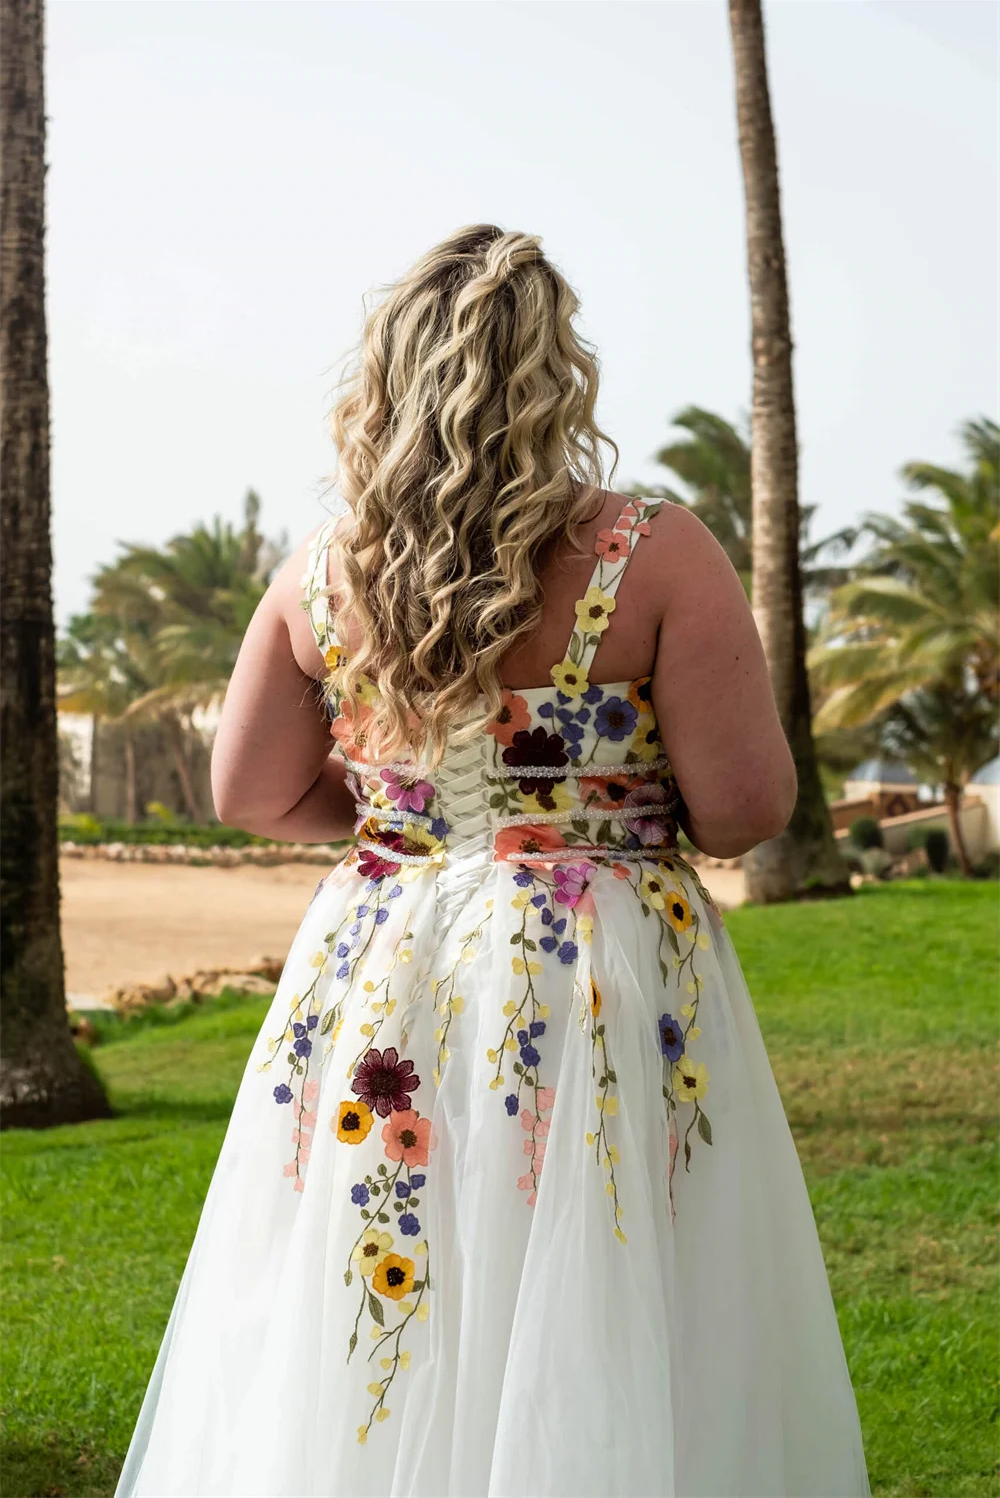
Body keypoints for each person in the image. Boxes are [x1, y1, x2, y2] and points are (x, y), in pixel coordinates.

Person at [114, 224, 870, 1497]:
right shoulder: (651, 550)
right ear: (554, 372)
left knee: (385, 1273)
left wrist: (403, 829)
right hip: (593, 959)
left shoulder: (322, 571)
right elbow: (744, 807)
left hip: (382, 952)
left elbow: (248, 791)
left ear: (388, 376)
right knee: (598, 1258)